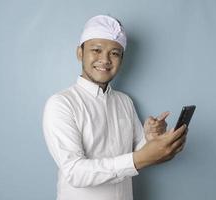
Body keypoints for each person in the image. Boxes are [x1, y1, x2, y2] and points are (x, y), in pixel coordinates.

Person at [42, 14, 187, 200]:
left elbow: (138, 151)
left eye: (114, 53)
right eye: (96, 50)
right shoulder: (62, 103)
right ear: (80, 53)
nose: (105, 59)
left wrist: (151, 138)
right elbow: (75, 172)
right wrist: (140, 158)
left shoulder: (124, 101)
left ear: (121, 59)